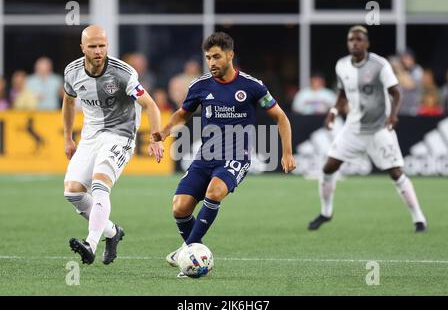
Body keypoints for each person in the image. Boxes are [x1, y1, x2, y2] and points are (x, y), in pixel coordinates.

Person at [152, 32, 296, 277]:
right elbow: (182, 114)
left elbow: (281, 117)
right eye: (208, 58)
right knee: (179, 208)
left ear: (230, 55)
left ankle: (187, 254)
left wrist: (287, 153)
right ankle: (191, 255)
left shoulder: (252, 86)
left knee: (214, 192)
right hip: (206, 156)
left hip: (236, 155)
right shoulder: (200, 86)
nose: (212, 62)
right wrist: (163, 133)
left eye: (217, 56)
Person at [308, 26, 427, 233]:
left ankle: (419, 219)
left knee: (396, 173)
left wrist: (393, 115)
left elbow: (396, 92)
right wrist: (334, 112)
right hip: (353, 128)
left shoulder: (380, 65)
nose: (354, 43)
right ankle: (326, 212)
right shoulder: (342, 66)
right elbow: (343, 94)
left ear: (366, 43)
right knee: (328, 168)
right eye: (351, 40)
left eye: (359, 39)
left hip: (379, 129)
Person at [62, 25, 164, 265]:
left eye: (102, 46)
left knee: (99, 186)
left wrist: (154, 137)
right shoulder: (72, 71)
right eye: (93, 46)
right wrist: (68, 137)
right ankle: (112, 232)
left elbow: (151, 105)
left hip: (120, 135)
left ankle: (91, 244)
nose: (98, 51)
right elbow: (68, 101)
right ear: (82, 48)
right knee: (73, 192)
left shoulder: (123, 73)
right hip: (90, 136)